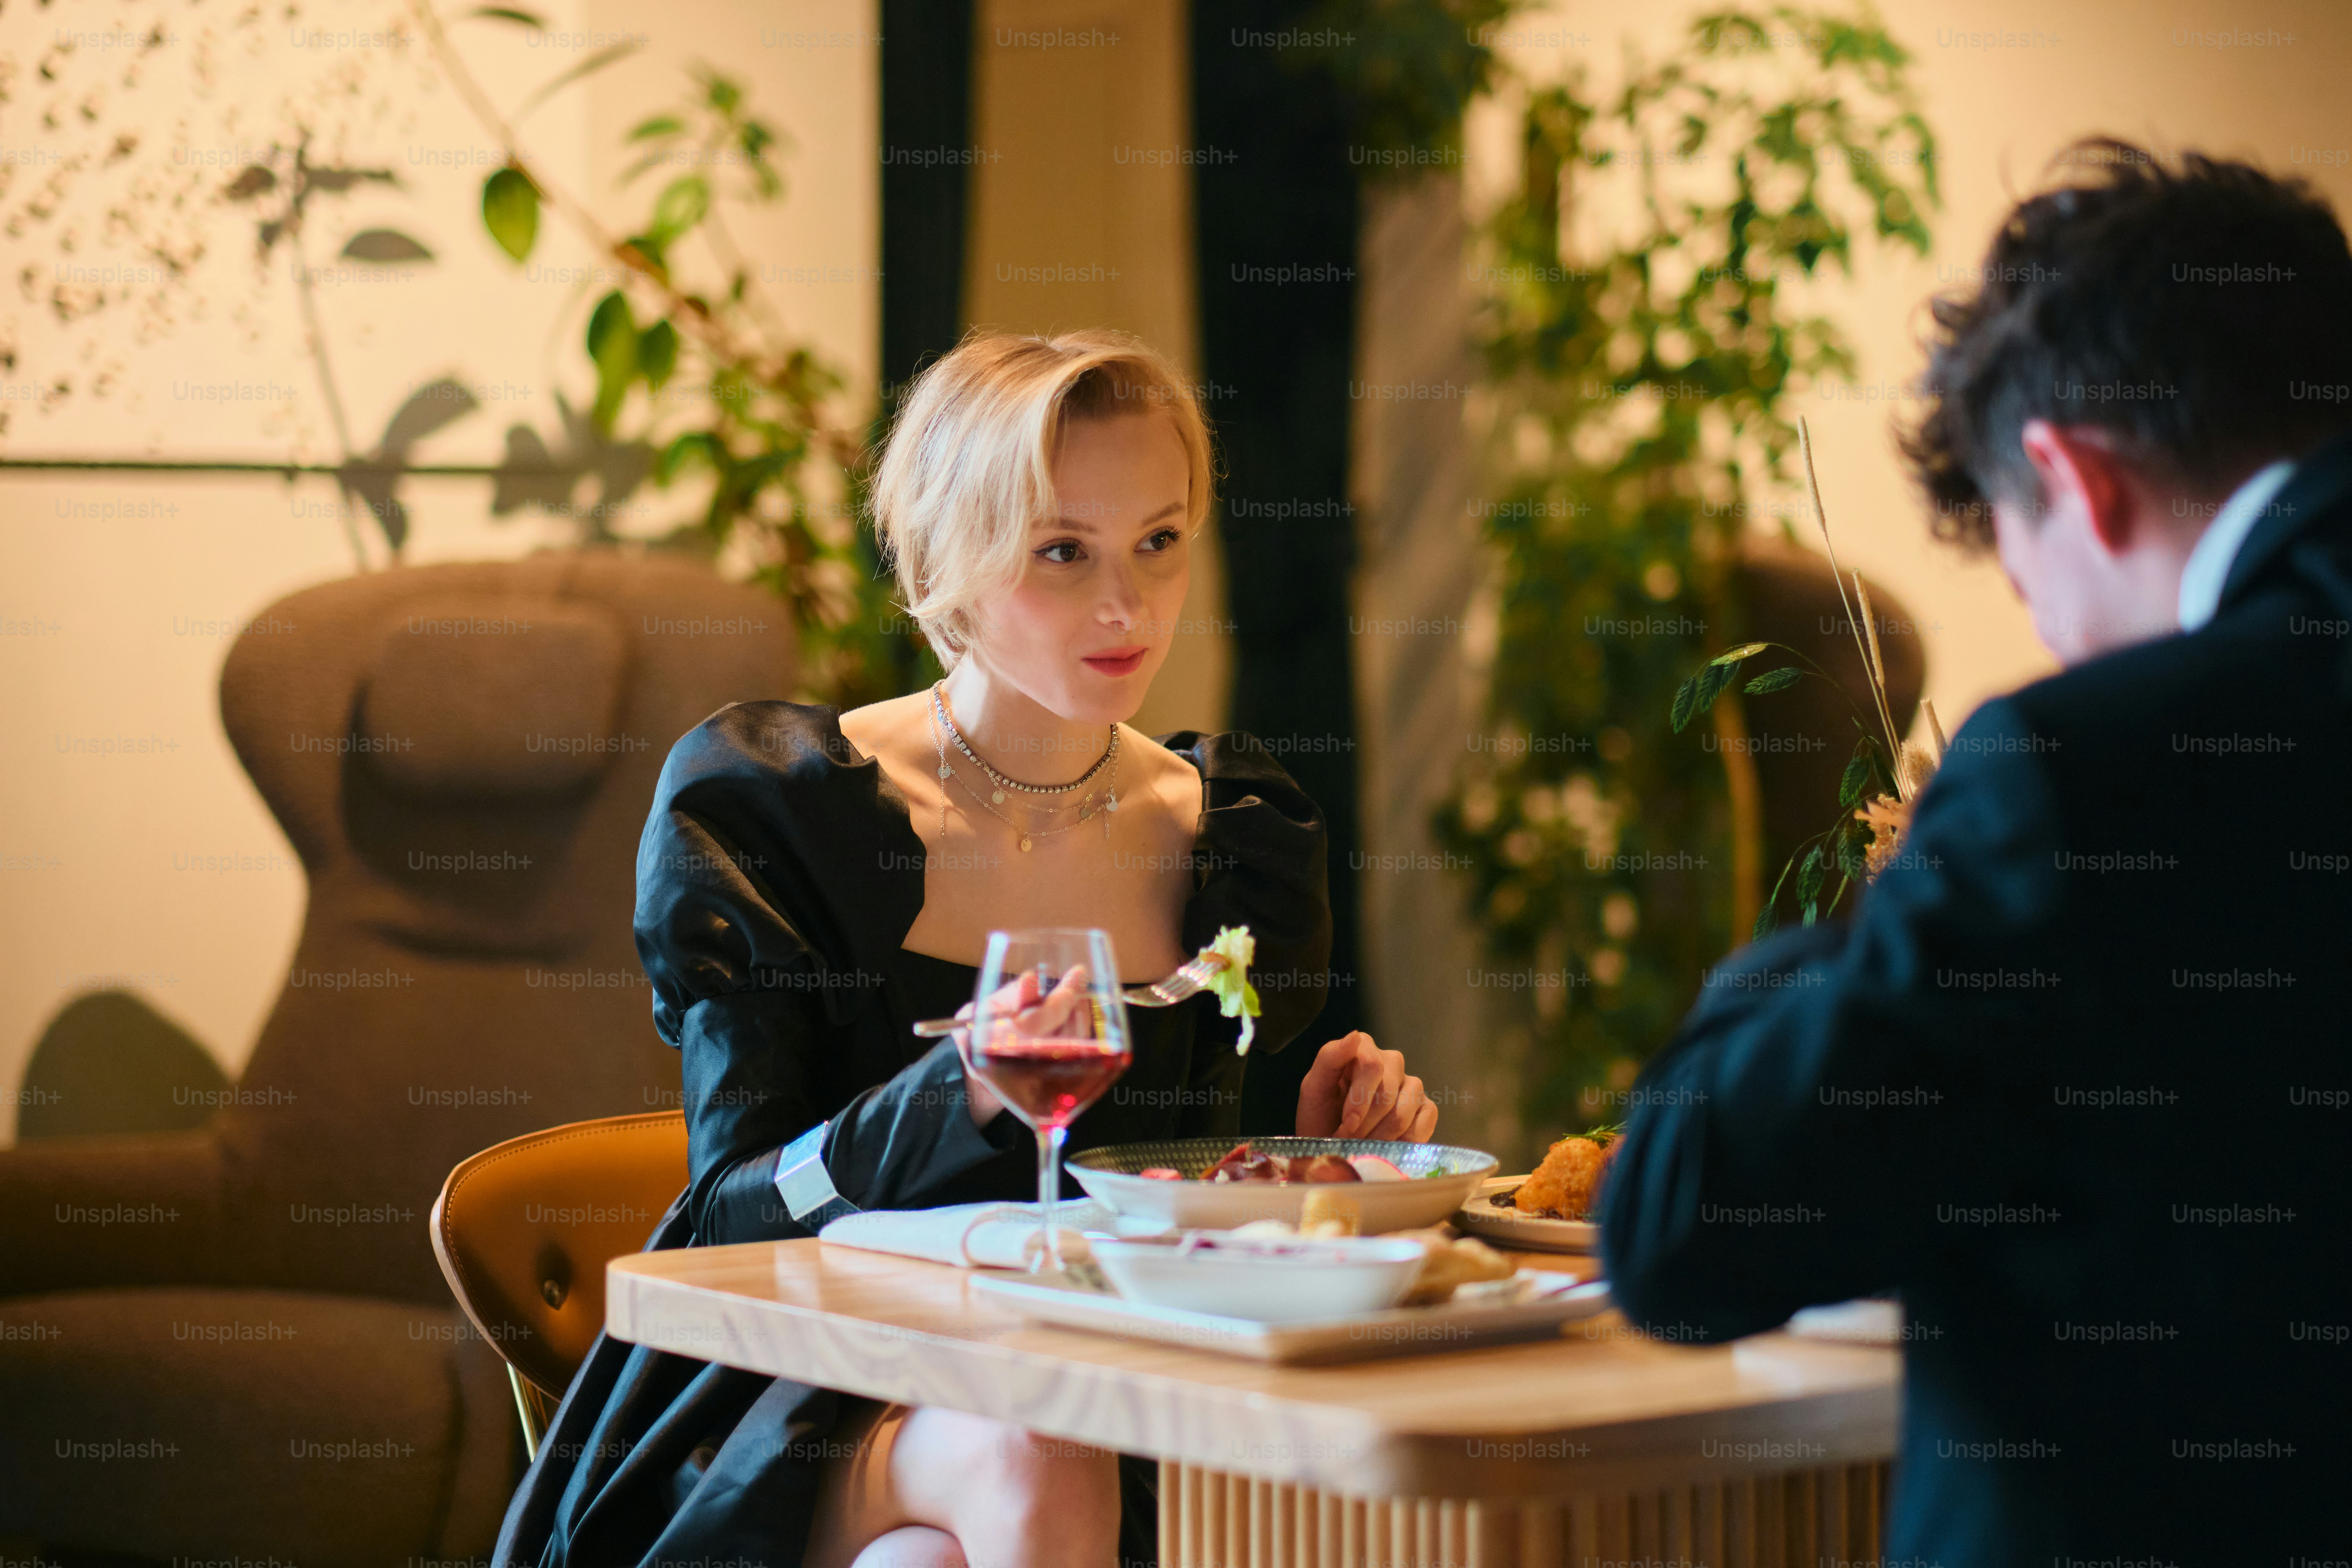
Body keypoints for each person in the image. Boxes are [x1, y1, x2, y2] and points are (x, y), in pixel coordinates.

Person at [494, 329, 1438, 1568]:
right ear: (951, 562)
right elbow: (730, 1221)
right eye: (1063, 552)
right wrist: (958, 1093)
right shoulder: (778, 812)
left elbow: (1155, 1210)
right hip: (804, 1395)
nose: (1127, 605)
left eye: (1159, 541)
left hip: (1116, 1397)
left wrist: (1320, 1169)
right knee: (1031, 1447)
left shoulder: (1232, 839)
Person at [1601, 140, 2352, 1566]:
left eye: (2019, 564)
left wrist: (1892, 888)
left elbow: (1681, 1227)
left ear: (2074, 479)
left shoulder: (2086, 772)